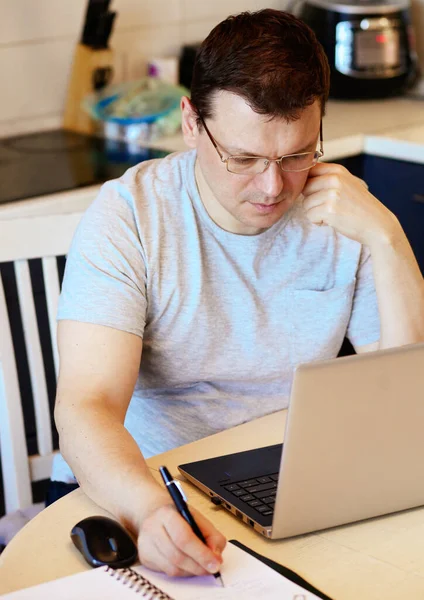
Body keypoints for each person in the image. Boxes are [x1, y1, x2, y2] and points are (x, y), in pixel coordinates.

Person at [52, 8, 424, 579]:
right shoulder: (131, 217)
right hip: (147, 485)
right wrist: (149, 509)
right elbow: (86, 406)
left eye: (297, 154)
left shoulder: (344, 210)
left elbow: (401, 403)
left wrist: (388, 237)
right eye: (244, 158)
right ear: (192, 124)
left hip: (291, 487)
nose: (273, 186)